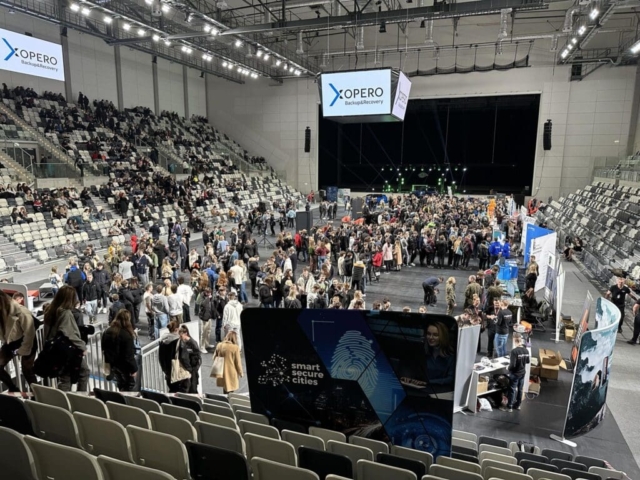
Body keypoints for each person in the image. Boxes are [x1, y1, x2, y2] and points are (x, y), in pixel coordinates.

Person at [42, 286, 89, 391]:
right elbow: (68, 333)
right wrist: (82, 346)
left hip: (54, 349)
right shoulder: (65, 313)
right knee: (84, 372)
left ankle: (63, 399)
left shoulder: (50, 310)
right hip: (67, 350)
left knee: (65, 377)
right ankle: (81, 397)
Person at [0, 290, 37, 392]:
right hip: (11, 341)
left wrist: (24, 349)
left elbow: (29, 333)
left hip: (26, 340)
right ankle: (14, 389)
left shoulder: (21, 311)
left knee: (27, 370)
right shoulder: (4, 310)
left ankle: (38, 394)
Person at [101, 310, 138, 391]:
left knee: (120, 383)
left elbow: (103, 348)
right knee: (129, 385)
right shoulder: (126, 335)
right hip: (124, 366)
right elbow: (128, 355)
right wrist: (134, 369)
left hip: (113, 365)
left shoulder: (107, 331)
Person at [500, 333, 530, 413]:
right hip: (522, 373)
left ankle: (509, 407)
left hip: (515, 374)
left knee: (512, 390)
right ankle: (518, 405)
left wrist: (508, 368)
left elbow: (512, 365)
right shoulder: (526, 350)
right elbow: (527, 361)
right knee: (520, 389)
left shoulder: (514, 351)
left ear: (515, 341)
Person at [158, 320, 191, 392]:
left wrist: (165, 370)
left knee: (172, 391)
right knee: (183, 392)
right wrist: (190, 369)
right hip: (179, 373)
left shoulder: (163, 341)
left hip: (168, 372)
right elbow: (184, 358)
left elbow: (160, 358)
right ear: (177, 329)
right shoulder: (179, 341)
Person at [179, 324, 202, 394]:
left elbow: (198, 358)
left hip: (192, 370)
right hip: (187, 370)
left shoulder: (193, 343)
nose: (180, 338)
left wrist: (193, 369)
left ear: (185, 333)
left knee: (193, 389)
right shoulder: (182, 342)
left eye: (181, 336)